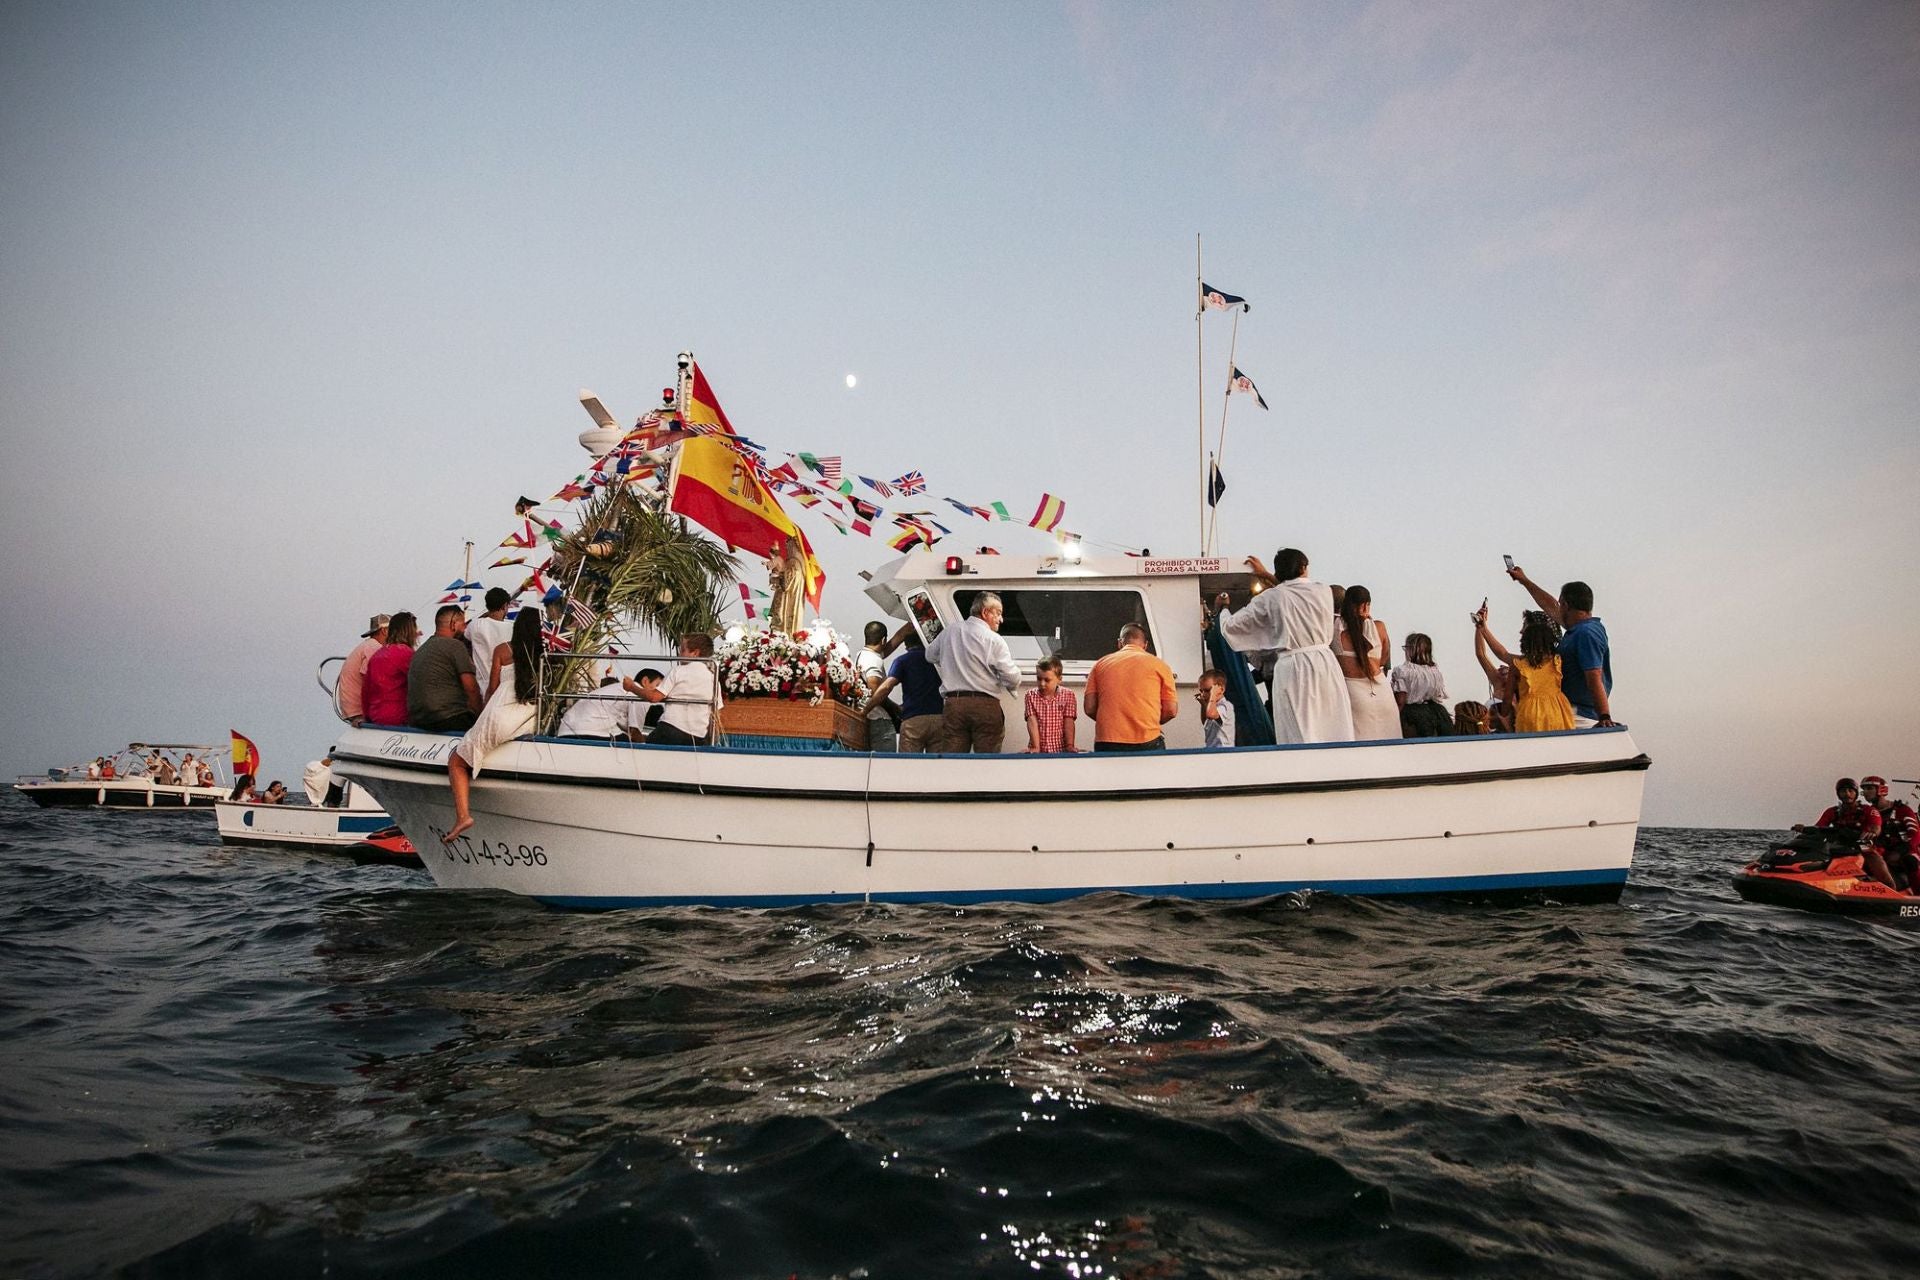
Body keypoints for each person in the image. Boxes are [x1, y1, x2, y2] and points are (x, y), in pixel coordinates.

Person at [1215, 549, 1354, 744]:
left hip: (1292, 667)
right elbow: (1293, 590)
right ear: (1303, 567)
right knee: (1331, 723)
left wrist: (1223, 610)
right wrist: (1267, 576)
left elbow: (1232, 627)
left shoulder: (1271, 597)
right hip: (1325, 663)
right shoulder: (1323, 590)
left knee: (1298, 726)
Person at [444, 608, 543, 842]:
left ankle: (463, 816)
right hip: (530, 713)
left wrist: (482, 714)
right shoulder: (545, 654)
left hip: (503, 710)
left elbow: (492, 687)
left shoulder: (503, 649)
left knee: (456, 761)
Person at [1507, 563, 1614, 727]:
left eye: (1560, 603)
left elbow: (1594, 676)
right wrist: (1524, 581)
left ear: (1565, 604)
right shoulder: (1577, 631)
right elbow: (1549, 605)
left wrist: (1604, 716)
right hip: (1572, 711)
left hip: (1581, 715)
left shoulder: (1586, 633)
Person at [926, 592, 1021, 753]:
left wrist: (950, 661)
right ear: (985, 612)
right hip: (985, 705)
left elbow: (929, 655)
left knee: (953, 759)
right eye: (998, 613)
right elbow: (1011, 677)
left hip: (954, 705)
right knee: (987, 760)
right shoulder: (994, 640)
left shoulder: (949, 632)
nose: (1001, 619)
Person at [1473, 607, 1575, 733]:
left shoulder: (1520, 665)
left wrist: (1482, 628)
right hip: (1557, 713)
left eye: (1525, 626)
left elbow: (1502, 654)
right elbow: (1500, 654)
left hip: (1529, 715)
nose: (1521, 631)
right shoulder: (1557, 661)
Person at [1083, 623, 1177, 752]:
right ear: (1145, 645)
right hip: (1147, 739)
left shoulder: (1100, 664)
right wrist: (1149, 723)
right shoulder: (1160, 666)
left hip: (1108, 740)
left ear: (1120, 643)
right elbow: (1171, 710)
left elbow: (1089, 708)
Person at [1793, 777, 1892, 887]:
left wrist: (1872, 832)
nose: (1847, 794)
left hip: (1862, 845)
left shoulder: (1868, 810)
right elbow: (1819, 827)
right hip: (1839, 846)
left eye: (1850, 791)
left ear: (1856, 794)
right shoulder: (1833, 811)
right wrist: (1804, 829)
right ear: (1838, 794)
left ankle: (1888, 887)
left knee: (1871, 855)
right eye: (1843, 791)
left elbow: (1876, 826)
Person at [626, 634, 720, 747]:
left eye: (682, 650)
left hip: (670, 729)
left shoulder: (679, 671)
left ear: (695, 653)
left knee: (645, 751)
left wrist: (632, 687)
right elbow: (716, 714)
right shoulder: (714, 679)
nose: (679, 654)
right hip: (697, 737)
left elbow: (654, 697)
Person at [862, 630, 945, 752]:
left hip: (913, 720)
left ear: (906, 644)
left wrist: (866, 709)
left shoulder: (902, 661)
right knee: (937, 765)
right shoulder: (937, 661)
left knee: (907, 765)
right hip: (939, 718)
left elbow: (886, 687)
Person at [1334, 585, 1398, 741]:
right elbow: (1383, 659)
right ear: (1365, 605)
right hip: (1381, 692)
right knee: (1390, 744)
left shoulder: (1335, 630)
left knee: (1360, 748)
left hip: (1353, 693)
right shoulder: (1379, 627)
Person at [408, 604, 483, 732]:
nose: (465, 628)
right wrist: (481, 717)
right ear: (453, 624)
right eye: (463, 624)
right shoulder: (455, 646)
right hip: (449, 718)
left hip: (420, 720)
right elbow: (471, 689)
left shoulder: (421, 650)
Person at [856, 621, 907, 752]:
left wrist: (909, 626)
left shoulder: (864, 655)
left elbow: (894, 641)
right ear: (883, 640)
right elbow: (876, 693)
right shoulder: (874, 661)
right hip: (879, 722)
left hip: (871, 720)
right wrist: (898, 708)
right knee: (884, 765)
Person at [1861, 776, 1919, 892]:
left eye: (1869, 788)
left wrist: (1901, 851)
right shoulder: (1866, 813)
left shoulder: (1902, 810)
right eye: (1864, 789)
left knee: (1910, 861)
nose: (1865, 792)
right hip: (1879, 852)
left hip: (1904, 851)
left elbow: (1915, 834)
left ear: (1881, 790)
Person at [362, 612, 420, 726]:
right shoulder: (406, 654)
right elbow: (420, 683)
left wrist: (366, 717)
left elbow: (366, 691)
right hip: (398, 717)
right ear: (409, 631)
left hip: (375, 715)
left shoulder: (377, 655)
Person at [1391, 634, 1452, 737]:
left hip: (1412, 715)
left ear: (1410, 650)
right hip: (1437, 712)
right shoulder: (1435, 671)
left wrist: (1393, 720)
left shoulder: (1402, 671)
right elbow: (1438, 695)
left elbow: (1401, 700)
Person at [338, 614, 390, 726]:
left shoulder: (367, 645)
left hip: (350, 708)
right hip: (358, 710)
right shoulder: (374, 648)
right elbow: (373, 679)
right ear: (385, 631)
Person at [465, 589, 514, 707]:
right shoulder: (512, 628)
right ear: (504, 606)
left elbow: (466, 634)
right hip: (504, 690)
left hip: (482, 688)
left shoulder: (475, 625)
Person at [1023, 655, 1079, 753]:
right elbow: (1032, 721)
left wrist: (1070, 745)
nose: (1042, 684)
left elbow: (1068, 721)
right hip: (1038, 750)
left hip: (1060, 750)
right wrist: (1036, 747)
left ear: (1059, 679)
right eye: (1039, 679)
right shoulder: (1031, 695)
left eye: (1047, 680)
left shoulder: (1068, 695)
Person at [556, 670, 630, 739]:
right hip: (589, 732)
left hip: (565, 730)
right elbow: (626, 726)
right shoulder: (619, 696)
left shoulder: (591, 698)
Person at [1196, 668, 1236, 748]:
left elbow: (1210, 715)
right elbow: (1206, 721)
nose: (1203, 694)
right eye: (1201, 691)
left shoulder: (1225, 706)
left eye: (1207, 690)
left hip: (1223, 750)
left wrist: (1213, 694)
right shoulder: (1213, 706)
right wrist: (1203, 704)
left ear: (1220, 690)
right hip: (1212, 749)